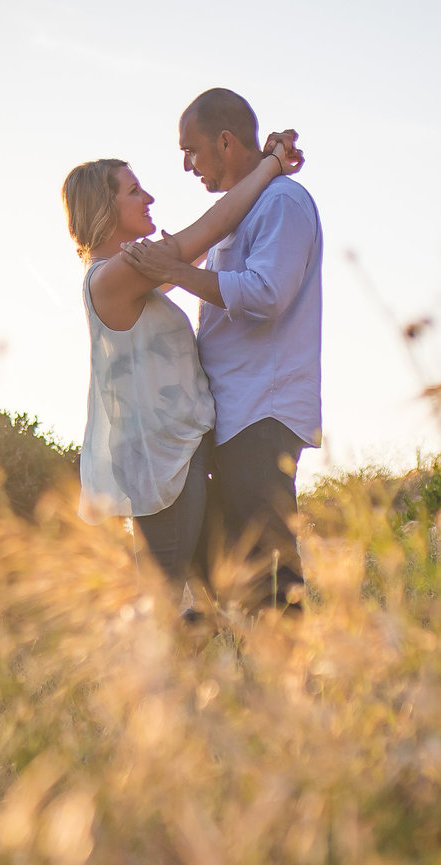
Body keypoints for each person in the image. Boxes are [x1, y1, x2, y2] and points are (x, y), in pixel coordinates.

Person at [60, 131, 301, 616]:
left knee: (218, 599)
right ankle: (157, 688)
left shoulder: (136, 273)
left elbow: (200, 250)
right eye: (133, 191)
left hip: (181, 459)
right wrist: (270, 164)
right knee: (165, 605)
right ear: (103, 209)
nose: (149, 198)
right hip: (162, 470)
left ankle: (239, 681)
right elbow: (213, 227)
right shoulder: (112, 277)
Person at [123, 88, 323, 613]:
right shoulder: (248, 208)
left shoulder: (282, 203)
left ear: (226, 142)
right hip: (234, 417)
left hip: (263, 411)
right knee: (240, 572)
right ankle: (259, 678)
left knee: (270, 573)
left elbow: (266, 294)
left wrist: (178, 272)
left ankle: (296, 684)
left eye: (191, 150)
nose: (188, 166)